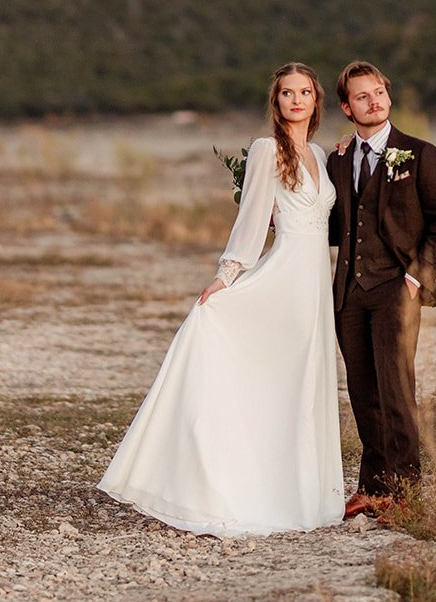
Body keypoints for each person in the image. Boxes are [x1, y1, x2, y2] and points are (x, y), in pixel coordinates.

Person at [98, 63, 344, 537]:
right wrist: (226, 276)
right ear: (275, 102)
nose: (296, 100)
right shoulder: (265, 150)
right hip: (282, 278)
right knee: (250, 360)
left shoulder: (318, 153)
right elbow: (251, 221)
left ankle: (301, 490)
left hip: (313, 286)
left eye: (305, 92)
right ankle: (224, 480)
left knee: (300, 380)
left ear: (317, 101)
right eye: (287, 93)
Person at [327, 61, 436, 518]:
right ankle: (373, 487)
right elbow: (333, 225)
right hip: (348, 293)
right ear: (347, 107)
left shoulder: (420, 153)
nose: (375, 100)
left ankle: (404, 495)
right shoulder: (339, 159)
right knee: (363, 393)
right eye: (362, 96)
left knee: (397, 392)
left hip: (395, 290)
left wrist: (414, 279)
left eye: (379, 91)